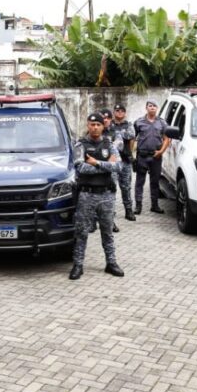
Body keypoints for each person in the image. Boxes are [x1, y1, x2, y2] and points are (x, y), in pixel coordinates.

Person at [70, 113, 124, 280]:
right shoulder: (80, 145)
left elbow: (119, 166)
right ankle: (78, 265)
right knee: (82, 232)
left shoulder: (110, 144)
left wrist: (97, 163)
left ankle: (111, 263)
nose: (95, 127)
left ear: (103, 126)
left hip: (106, 195)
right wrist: (107, 165)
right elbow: (80, 168)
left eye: (98, 125)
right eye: (92, 124)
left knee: (107, 231)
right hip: (87, 195)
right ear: (88, 125)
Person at [133, 100, 170, 215]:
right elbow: (132, 139)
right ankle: (138, 206)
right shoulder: (139, 122)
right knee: (139, 182)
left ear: (157, 108)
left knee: (155, 183)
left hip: (156, 157)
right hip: (142, 156)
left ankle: (155, 205)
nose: (152, 107)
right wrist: (133, 154)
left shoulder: (162, 123)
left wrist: (161, 151)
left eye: (154, 106)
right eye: (150, 106)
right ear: (146, 108)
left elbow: (167, 139)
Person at [110, 104, 137, 222]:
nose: (119, 112)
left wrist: (118, 135)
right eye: (117, 110)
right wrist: (122, 135)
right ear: (114, 112)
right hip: (113, 162)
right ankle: (111, 214)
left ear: (125, 113)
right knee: (111, 188)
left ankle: (128, 211)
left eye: (122, 111)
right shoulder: (109, 125)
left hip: (125, 160)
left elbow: (131, 136)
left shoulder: (129, 125)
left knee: (126, 187)